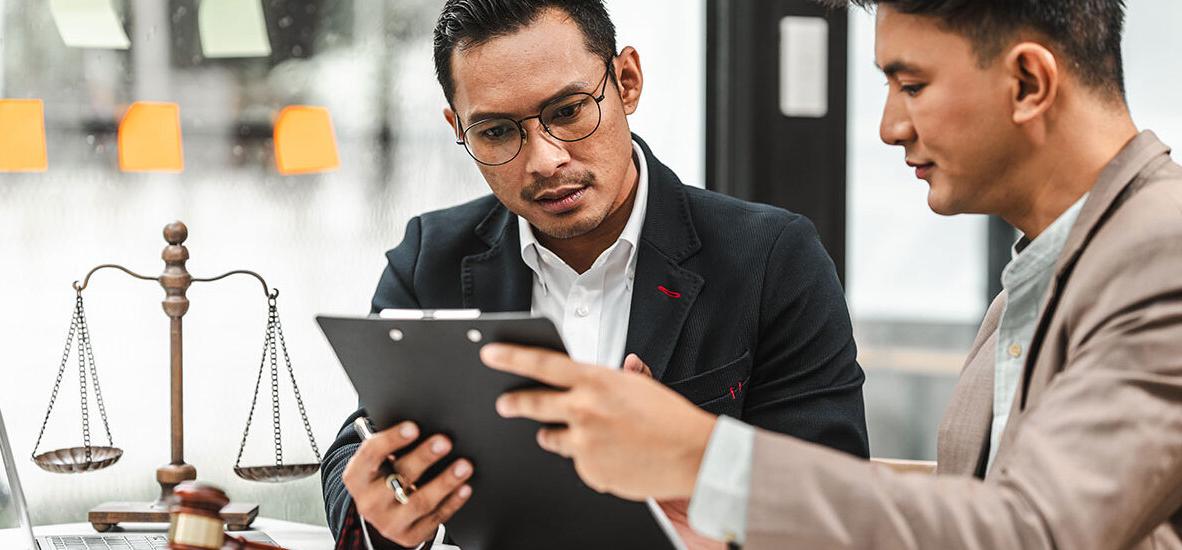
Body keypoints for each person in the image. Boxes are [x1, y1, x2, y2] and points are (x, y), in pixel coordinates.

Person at [483, 0, 1182, 548]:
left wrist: (701, 456)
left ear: (1029, 82)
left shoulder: (1163, 252)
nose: (889, 126)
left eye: (912, 84)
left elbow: (1032, 532)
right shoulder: (1039, 278)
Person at [320, 1, 870, 548]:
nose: (544, 161)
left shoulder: (770, 258)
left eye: (567, 111)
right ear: (458, 129)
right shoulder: (431, 257)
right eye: (497, 132)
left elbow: (834, 507)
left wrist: (694, 466)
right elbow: (362, 443)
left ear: (626, 82)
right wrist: (383, 516)